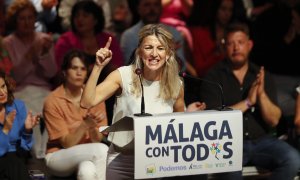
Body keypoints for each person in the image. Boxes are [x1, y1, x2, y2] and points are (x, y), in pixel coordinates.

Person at [81, 24, 206, 179]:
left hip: (155, 163)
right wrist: (98, 67)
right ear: (139, 51)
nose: (154, 54)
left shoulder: (176, 84)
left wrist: (190, 114)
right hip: (121, 161)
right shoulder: (123, 75)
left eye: (160, 48)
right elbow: (86, 102)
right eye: (148, 47)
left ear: (168, 54)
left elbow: (178, 124)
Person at [199, 22, 300, 180]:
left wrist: (261, 95)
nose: (236, 47)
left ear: (249, 45)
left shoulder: (260, 75)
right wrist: (247, 102)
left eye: (240, 42)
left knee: (293, 159)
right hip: (227, 144)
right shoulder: (213, 77)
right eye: (231, 43)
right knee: (229, 172)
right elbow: (214, 119)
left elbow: (273, 120)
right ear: (224, 47)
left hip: (262, 141)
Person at [3, 0, 57, 159]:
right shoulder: (7, 43)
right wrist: (32, 53)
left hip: (44, 90)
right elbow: (15, 77)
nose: (27, 22)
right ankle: (36, 157)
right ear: (15, 21)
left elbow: (51, 72)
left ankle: (48, 156)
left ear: (35, 19)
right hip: (21, 91)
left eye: (30, 17)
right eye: (22, 18)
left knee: (53, 112)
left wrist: (45, 54)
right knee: (28, 115)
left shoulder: (43, 39)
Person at [43, 49, 108, 179]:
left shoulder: (95, 96)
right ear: (64, 72)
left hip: (88, 152)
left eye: (83, 69)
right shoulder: (53, 100)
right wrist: (84, 125)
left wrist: (92, 127)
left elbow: (97, 139)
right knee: (102, 150)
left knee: (87, 171)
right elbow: (66, 143)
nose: (79, 73)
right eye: (74, 68)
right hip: (59, 156)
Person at [120, 0, 197, 76]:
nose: (152, 9)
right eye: (147, 5)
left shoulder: (174, 33)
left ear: (161, 7)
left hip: (170, 83)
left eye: (156, 4)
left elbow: (180, 69)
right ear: (138, 9)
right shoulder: (129, 36)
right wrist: (167, 51)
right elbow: (130, 68)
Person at [0, 71, 40, 180]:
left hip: (17, 155)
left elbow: (25, 147)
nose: (2, 92)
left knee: (15, 162)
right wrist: (6, 129)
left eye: (3, 86)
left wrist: (27, 130)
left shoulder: (18, 105)